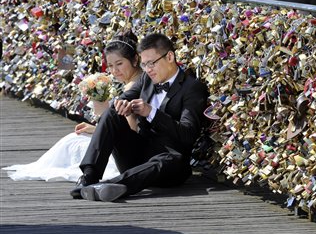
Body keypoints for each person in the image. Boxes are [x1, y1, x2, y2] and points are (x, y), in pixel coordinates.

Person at [70, 33, 209, 202]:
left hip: (169, 164)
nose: (148, 69)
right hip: (137, 154)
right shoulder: (146, 78)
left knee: (170, 159)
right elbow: (127, 95)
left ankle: (111, 186)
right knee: (112, 112)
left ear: (170, 56)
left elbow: (188, 135)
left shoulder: (192, 88)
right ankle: (89, 178)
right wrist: (121, 103)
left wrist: (151, 112)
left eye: (151, 63)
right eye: (144, 65)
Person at [2, 31, 142, 182]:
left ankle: (89, 173)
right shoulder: (136, 80)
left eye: (120, 64)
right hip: (127, 141)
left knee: (73, 142)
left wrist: (97, 130)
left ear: (134, 60)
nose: (115, 71)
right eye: (111, 66)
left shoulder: (131, 88)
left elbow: (130, 130)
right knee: (75, 139)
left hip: (128, 151)